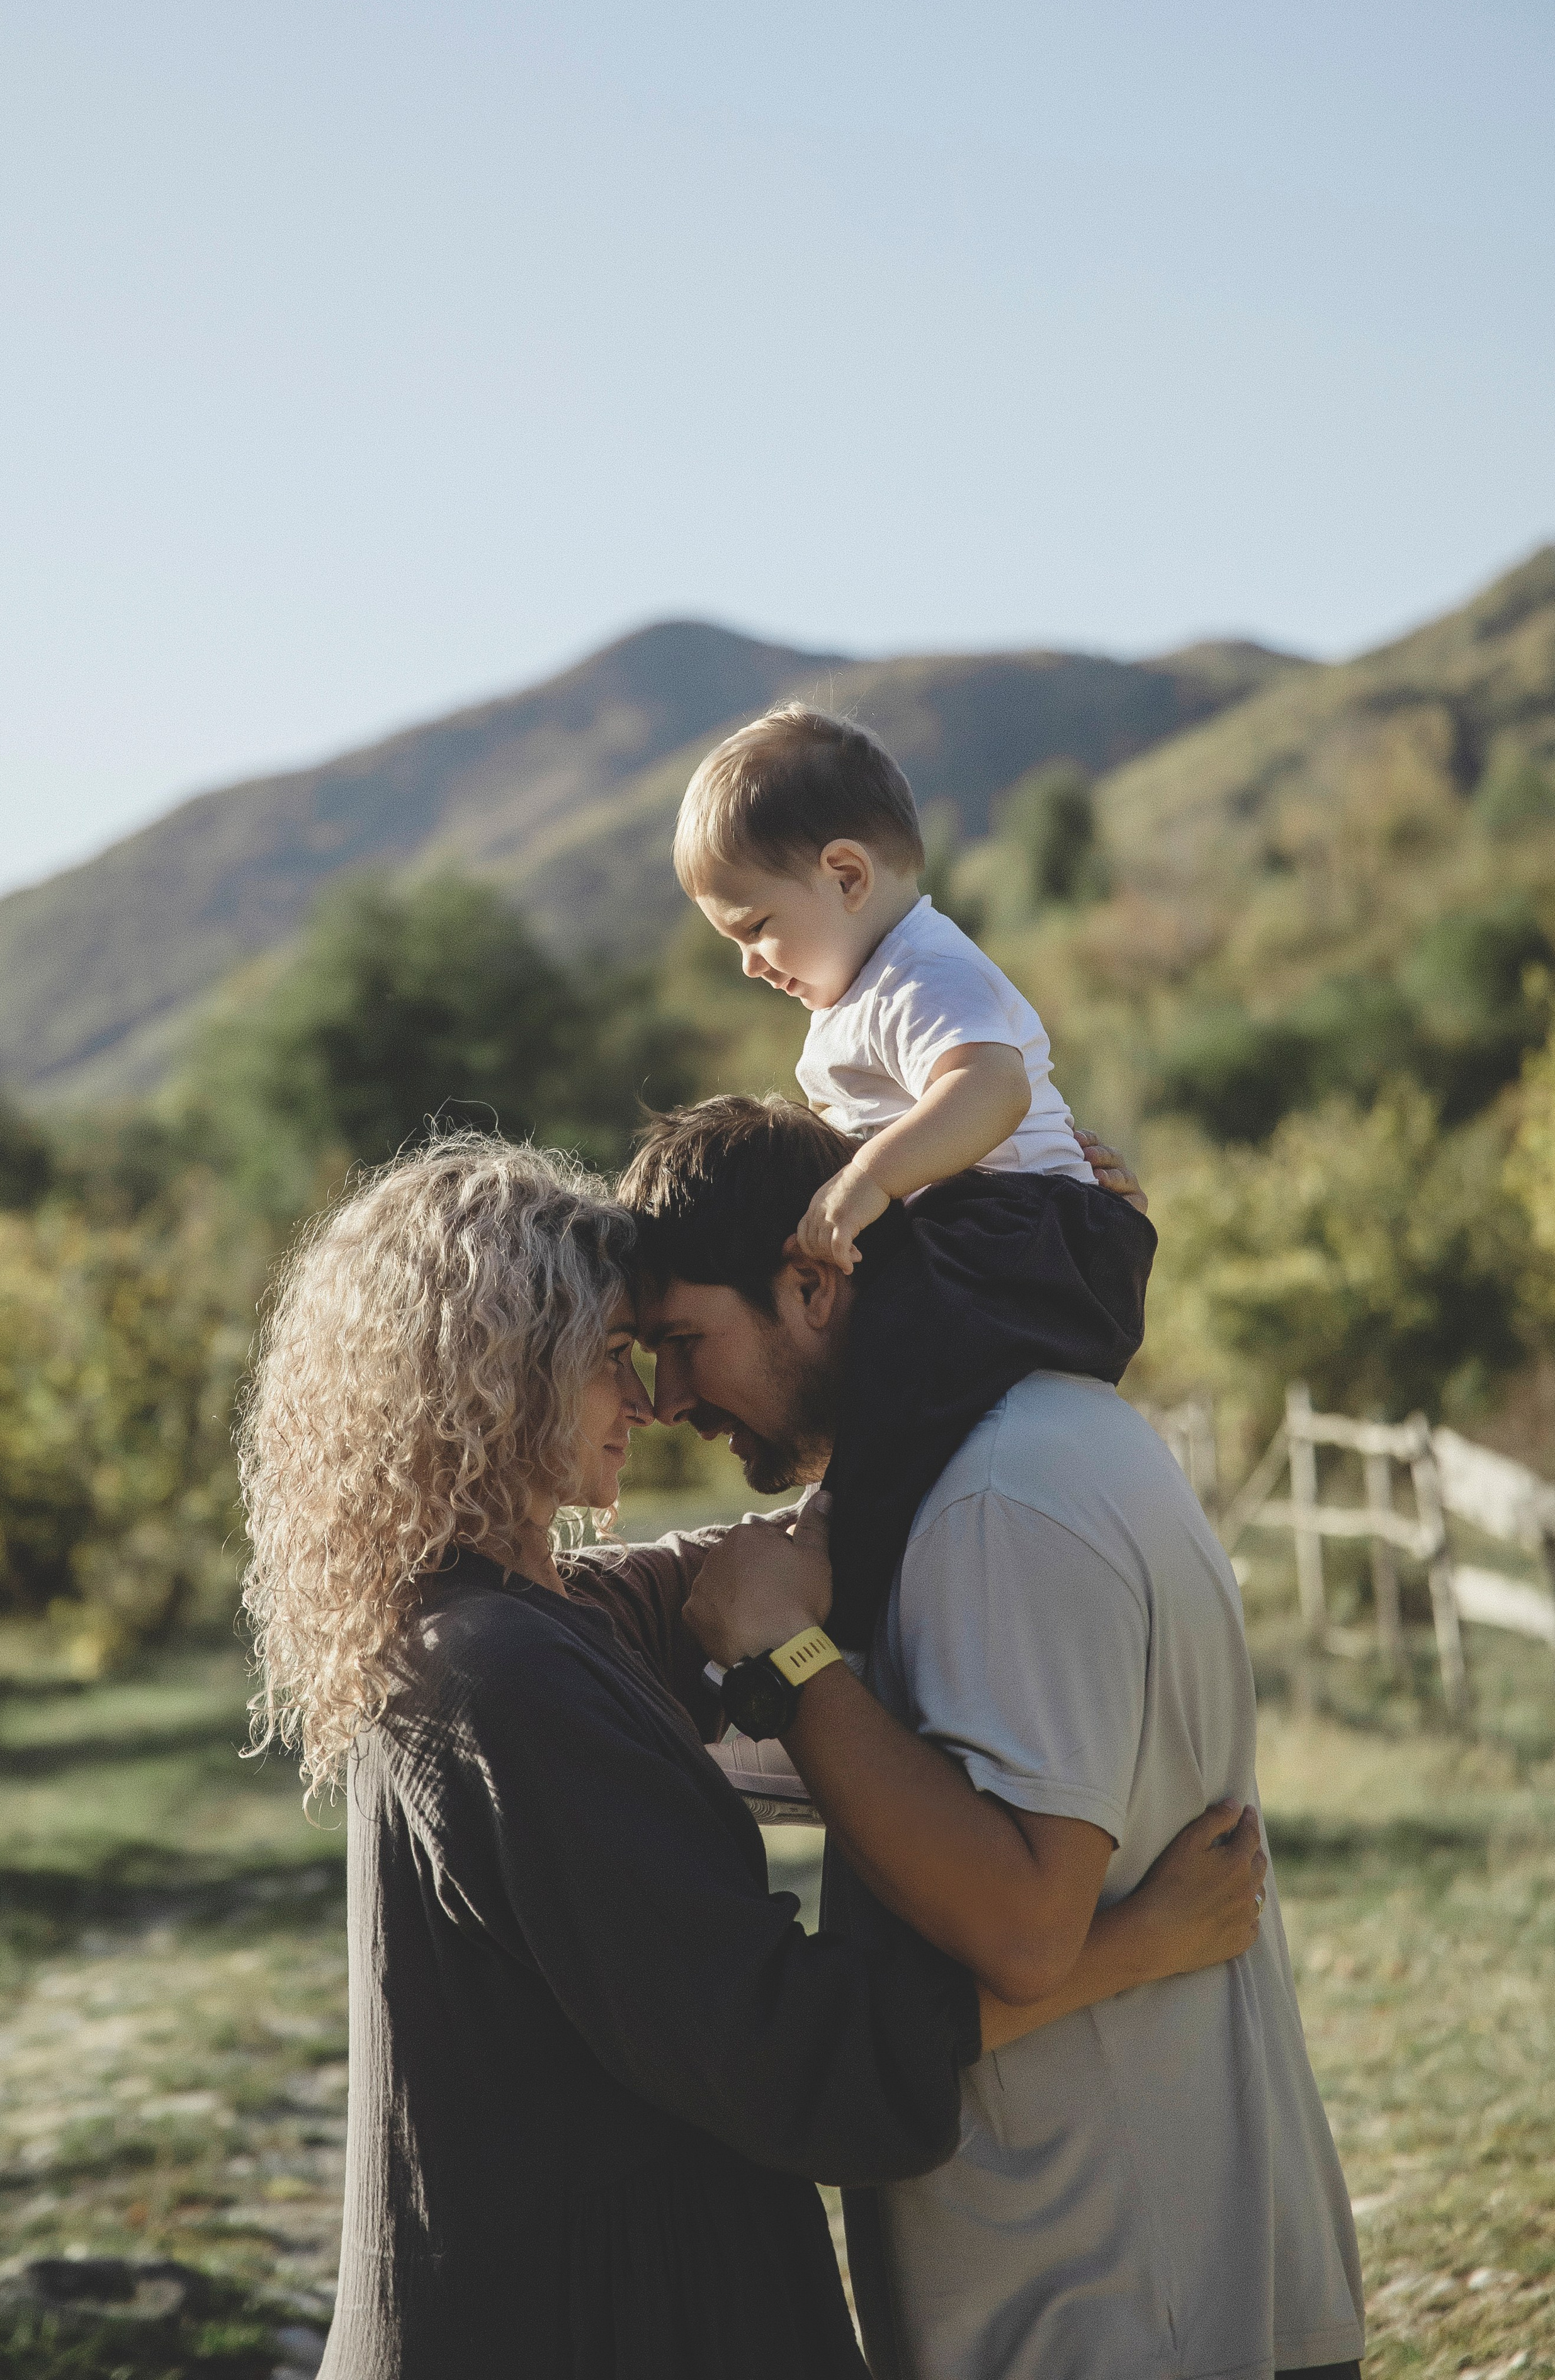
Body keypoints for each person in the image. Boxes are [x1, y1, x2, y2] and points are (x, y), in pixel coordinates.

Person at [239, 1133, 1267, 2380]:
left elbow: (788, 1546)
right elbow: (792, 2056)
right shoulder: (494, 1678)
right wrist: (1134, 1945)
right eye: (609, 1362)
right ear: (498, 1378)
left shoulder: (511, 1626)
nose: (646, 1402)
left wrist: (1031, 1258)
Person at [619, 1094, 1366, 2380]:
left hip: (1111, 2303)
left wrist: (782, 1663)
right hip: (1123, 2286)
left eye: (684, 1340)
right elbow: (917, 1778)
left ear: (809, 1284)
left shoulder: (995, 1500)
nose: (668, 1396)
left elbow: (1025, 1921)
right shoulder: (1014, 1446)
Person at [672, 703, 1158, 1640]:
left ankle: (846, 1578)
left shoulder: (922, 974)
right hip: (996, 1231)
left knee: (894, 1367)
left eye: (756, 927)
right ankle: (856, 1552)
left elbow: (990, 1090)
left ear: (846, 875)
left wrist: (870, 1184)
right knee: (885, 1366)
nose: (745, 964)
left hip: (1025, 1234)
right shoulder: (858, 998)